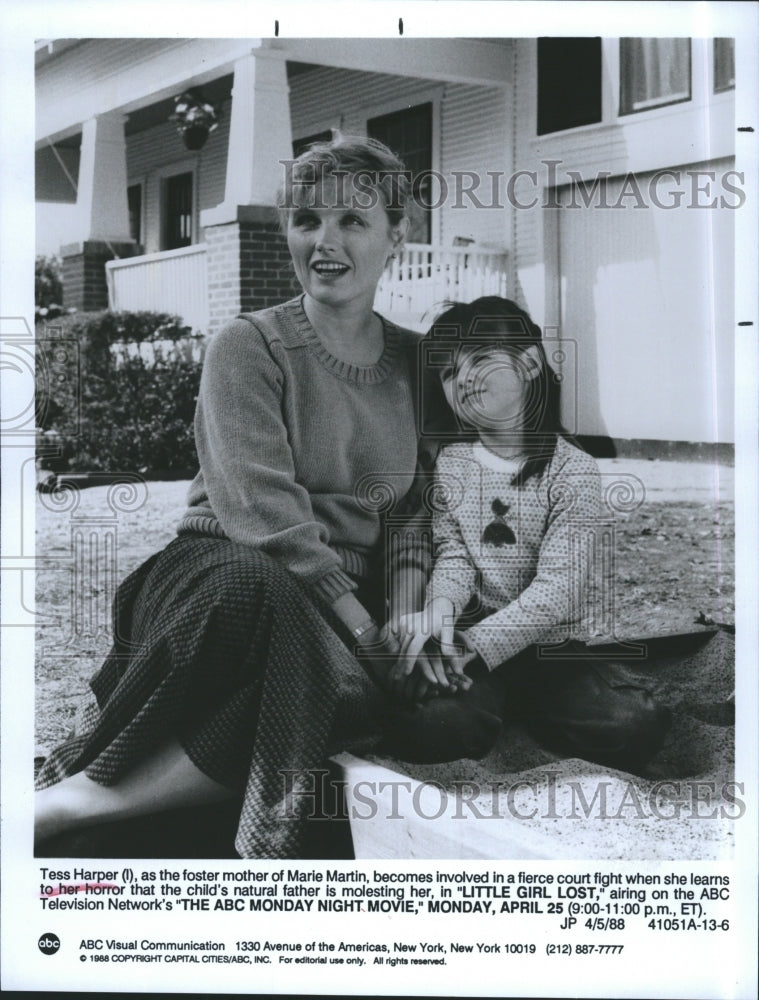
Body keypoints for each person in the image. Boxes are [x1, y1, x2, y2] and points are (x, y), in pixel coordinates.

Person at [34, 135, 431, 859]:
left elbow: (413, 516)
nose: (325, 241)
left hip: (345, 592)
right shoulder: (248, 345)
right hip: (222, 573)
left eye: (353, 221)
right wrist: (361, 630)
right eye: (306, 220)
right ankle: (86, 799)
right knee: (280, 612)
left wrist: (401, 620)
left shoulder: (417, 363)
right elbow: (261, 512)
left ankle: (78, 805)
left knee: (403, 696)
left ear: (397, 235)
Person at [382, 297, 671, 772]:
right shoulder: (452, 464)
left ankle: (540, 709)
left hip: (553, 649)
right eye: (449, 374)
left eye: (477, 359)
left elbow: (557, 592)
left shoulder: (572, 471)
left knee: (634, 725)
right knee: (430, 728)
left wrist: (475, 646)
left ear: (529, 363)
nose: (463, 381)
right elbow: (453, 555)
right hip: (471, 641)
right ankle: (497, 712)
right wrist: (441, 612)